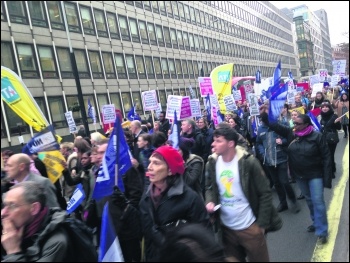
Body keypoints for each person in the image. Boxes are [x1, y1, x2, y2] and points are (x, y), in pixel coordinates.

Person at [205, 122, 282, 262]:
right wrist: (210, 201)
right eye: (213, 140)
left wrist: (261, 226)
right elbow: (209, 187)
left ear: (230, 144)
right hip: (226, 230)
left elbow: (265, 193)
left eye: (218, 141)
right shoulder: (212, 163)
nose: (213, 144)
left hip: (250, 228)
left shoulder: (249, 163)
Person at [260, 111, 332, 244]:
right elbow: (275, 126)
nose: (294, 125)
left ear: (306, 124)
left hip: (315, 174)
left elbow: (327, 157)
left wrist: (327, 178)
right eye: (294, 123)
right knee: (310, 201)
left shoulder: (317, 136)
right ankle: (316, 223)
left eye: (298, 124)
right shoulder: (291, 134)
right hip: (299, 175)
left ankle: (322, 231)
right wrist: (266, 115)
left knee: (318, 201)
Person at [139, 145, 209, 262]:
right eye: (150, 162)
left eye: (156, 163)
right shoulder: (146, 197)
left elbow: (204, 236)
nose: (149, 167)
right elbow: (142, 230)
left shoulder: (190, 198)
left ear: (170, 170)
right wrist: (126, 209)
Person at [1, 181, 70, 261]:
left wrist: (13, 251)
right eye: (4, 205)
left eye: (12, 206)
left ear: (34, 209)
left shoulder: (56, 241)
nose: (2, 213)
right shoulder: (11, 226)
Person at [256, 115, 300, 213]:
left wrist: (282, 141)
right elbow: (258, 143)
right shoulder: (260, 129)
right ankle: (283, 203)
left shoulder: (281, 125)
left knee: (284, 181)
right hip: (268, 160)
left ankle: (293, 201)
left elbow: (290, 137)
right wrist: (263, 153)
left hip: (281, 158)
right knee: (276, 183)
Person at [320, 101, 341, 178]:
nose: (325, 108)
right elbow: (320, 127)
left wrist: (337, 122)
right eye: (323, 107)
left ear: (329, 108)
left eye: (326, 107)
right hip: (322, 138)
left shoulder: (334, 116)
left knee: (330, 155)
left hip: (331, 138)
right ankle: (332, 167)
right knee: (325, 155)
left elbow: (339, 128)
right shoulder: (320, 116)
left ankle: (331, 171)